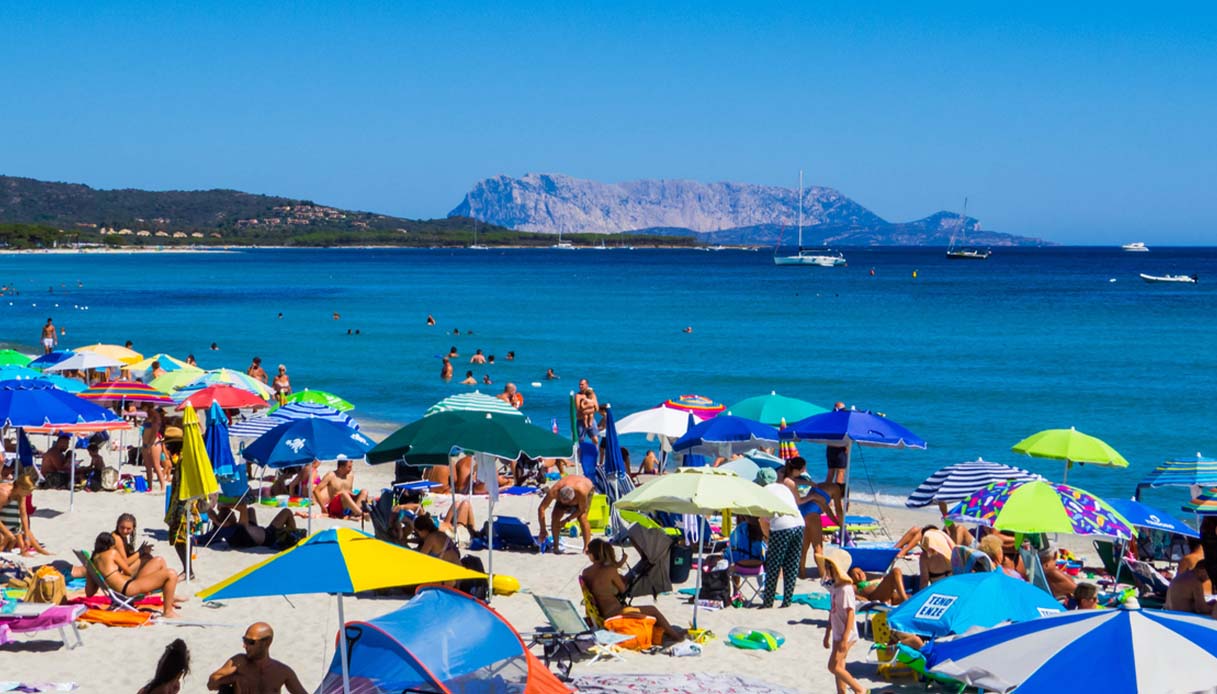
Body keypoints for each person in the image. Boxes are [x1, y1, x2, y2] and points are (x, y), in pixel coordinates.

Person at [581, 538, 685, 644]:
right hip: (616, 613)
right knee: (653, 610)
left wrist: (620, 564)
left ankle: (666, 633)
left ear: (593, 555)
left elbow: (600, 577)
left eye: (588, 552)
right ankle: (675, 636)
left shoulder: (586, 573)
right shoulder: (610, 571)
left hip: (599, 615)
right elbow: (624, 590)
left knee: (646, 613)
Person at [87, 532, 181, 618]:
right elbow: (128, 571)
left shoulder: (92, 561)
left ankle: (168, 598)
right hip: (129, 588)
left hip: (124, 588)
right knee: (171, 574)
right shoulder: (112, 553)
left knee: (159, 560)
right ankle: (168, 611)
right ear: (111, 546)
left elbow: (89, 593)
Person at [777, 456, 841, 578]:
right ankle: (823, 575)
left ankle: (802, 572)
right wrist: (813, 497)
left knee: (804, 546)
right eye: (803, 468)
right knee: (818, 547)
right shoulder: (791, 483)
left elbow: (793, 481)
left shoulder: (782, 475)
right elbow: (799, 501)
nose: (804, 470)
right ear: (798, 469)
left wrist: (808, 483)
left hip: (801, 514)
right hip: (807, 512)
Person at [207, 622, 307, 693]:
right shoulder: (238, 662)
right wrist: (236, 678)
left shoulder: (282, 671)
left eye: (250, 642)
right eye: (244, 640)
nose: (245, 646)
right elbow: (211, 685)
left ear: (267, 642)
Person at [754, 468, 804, 607]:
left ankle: (768, 602)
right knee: (792, 564)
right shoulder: (784, 488)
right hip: (799, 523)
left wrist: (767, 537)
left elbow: (763, 520)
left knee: (773, 566)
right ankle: (787, 600)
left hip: (782, 526)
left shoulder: (763, 492)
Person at [821, 550, 866, 694]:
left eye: (828, 566)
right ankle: (842, 692)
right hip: (837, 632)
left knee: (833, 666)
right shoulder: (835, 587)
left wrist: (845, 639)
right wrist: (827, 633)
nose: (826, 568)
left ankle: (860, 689)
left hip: (846, 634)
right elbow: (832, 611)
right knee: (839, 667)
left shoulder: (845, 589)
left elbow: (851, 614)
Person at [537, 474, 595, 554]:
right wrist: (542, 529)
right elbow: (541, 508)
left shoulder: (581, 492)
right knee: (555, 517)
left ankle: (586, 547)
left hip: (587, 488)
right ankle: (556, 546)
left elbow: (581, 510)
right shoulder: (554, 491)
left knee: (582, 518)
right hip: (566, 489)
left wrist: (567, 520)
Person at [0, 474, 48, 555]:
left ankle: (39, 550)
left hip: (7, 522)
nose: (29, 494)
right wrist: (7, 533)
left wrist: (26, 537)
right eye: (29, 491)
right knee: (5, 537)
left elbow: (23, 515)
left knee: (24, 533)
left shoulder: (20, 493)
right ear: (21, 488)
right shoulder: (3, 493)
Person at [142, 404, 167, 491]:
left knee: (156, 466)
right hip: (146, 443)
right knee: (147, 466)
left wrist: (150, 443)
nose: (142, 408)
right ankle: (150, 487)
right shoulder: (147, 416)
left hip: (153, 443)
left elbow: (154, 432)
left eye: (143, 406)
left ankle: (163, 486)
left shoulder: (155, 416)